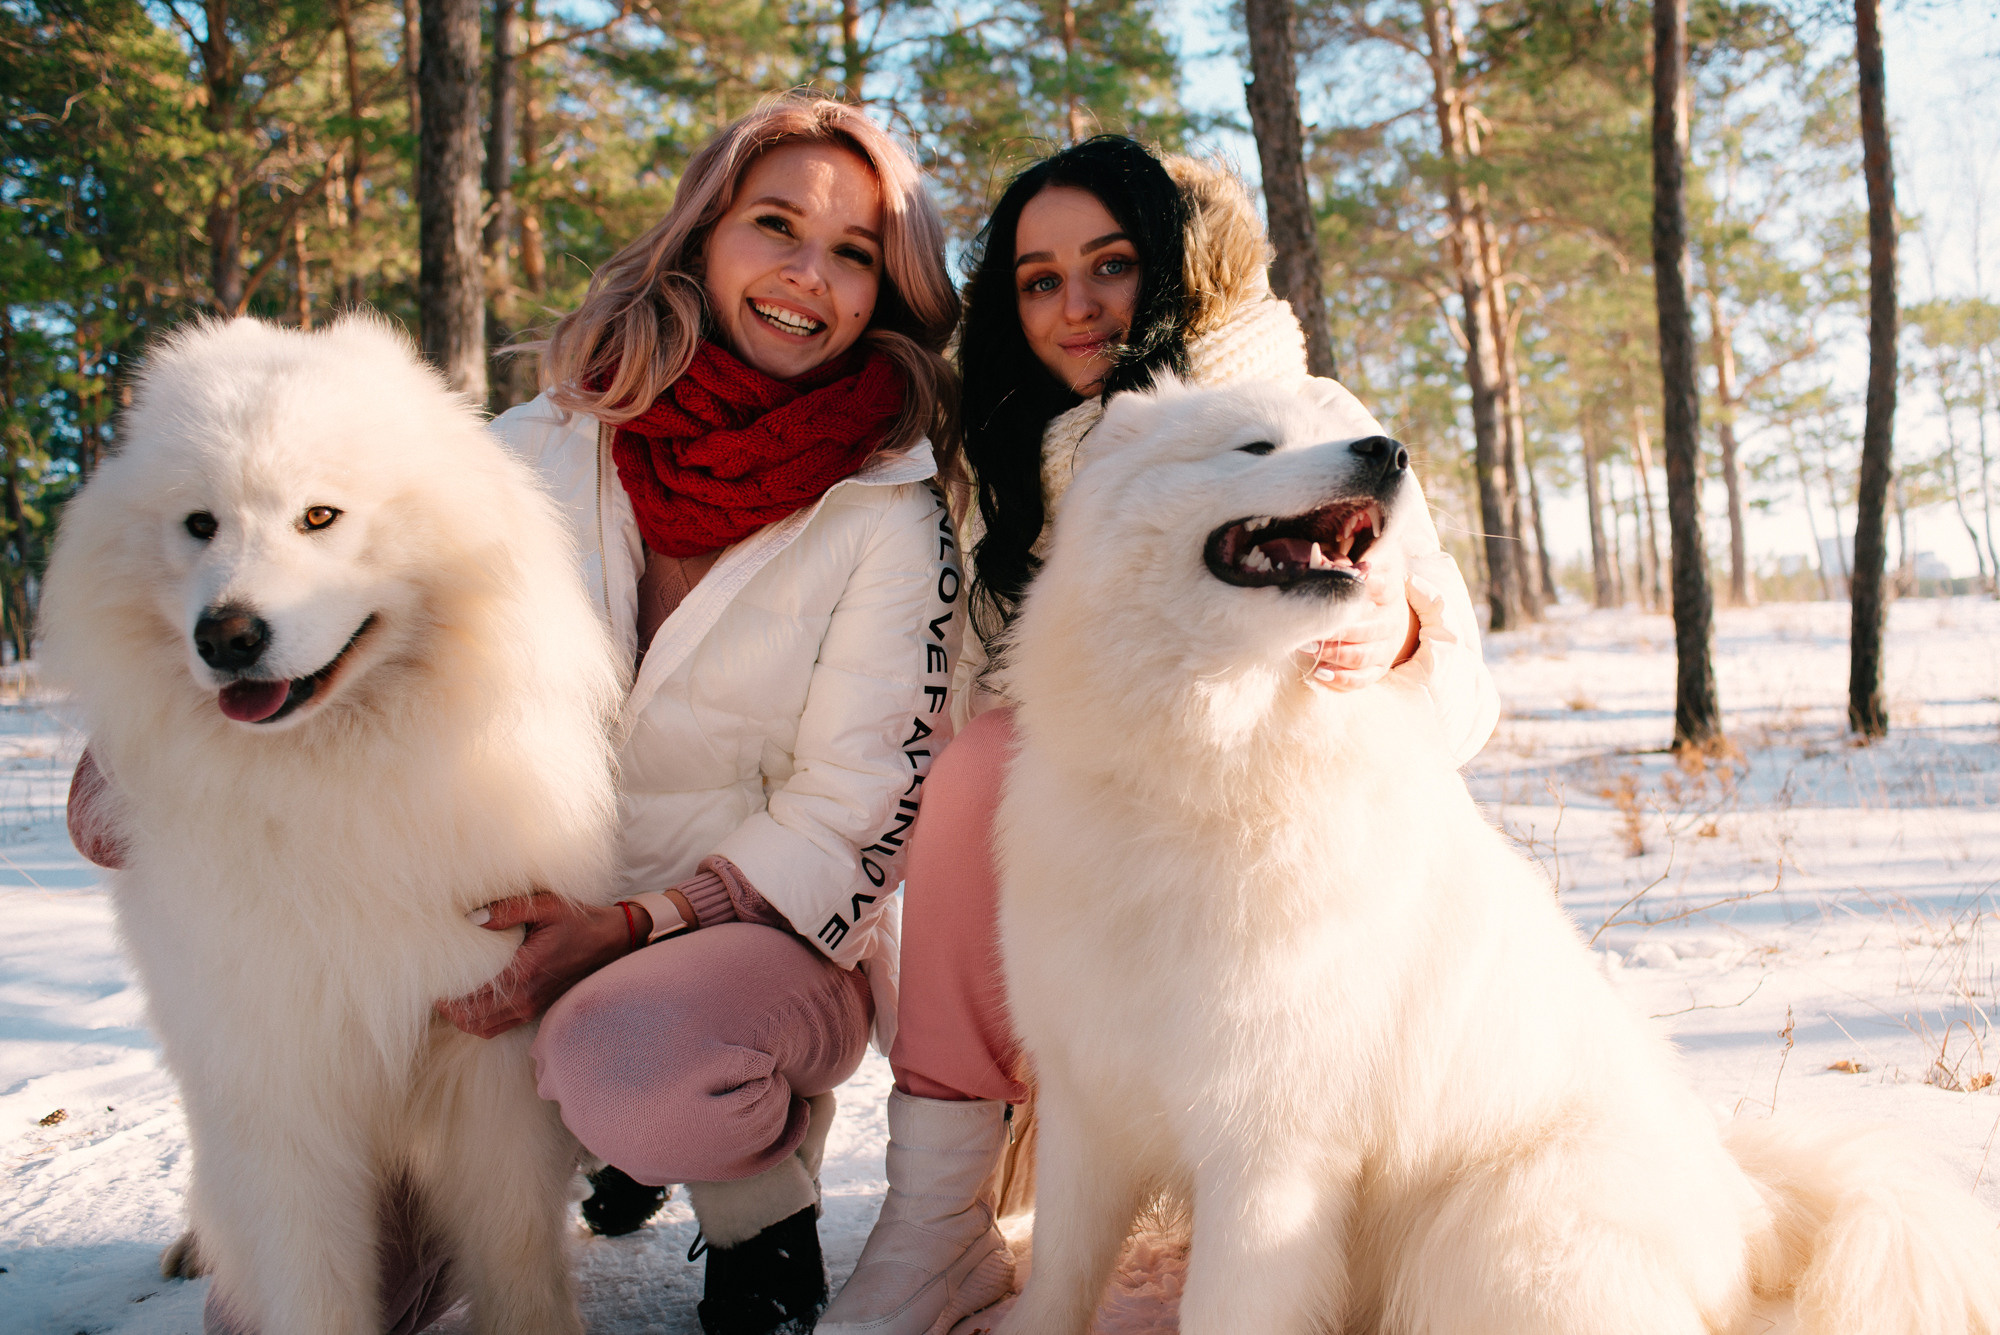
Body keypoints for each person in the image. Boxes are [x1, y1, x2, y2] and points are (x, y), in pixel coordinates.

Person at [814, 137, 1501, 1335]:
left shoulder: (1312, 419)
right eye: (1036, 280)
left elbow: (1458, 698)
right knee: (980, 761)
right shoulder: (1002, 454)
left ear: (1175, 265)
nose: (1074, 305)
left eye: (1110, 264)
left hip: (1298, 869)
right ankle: (939, 1212)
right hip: (1091, 884)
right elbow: (967, 686)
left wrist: (1391, 640)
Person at [448, 94, 963, 1335]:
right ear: (700, 235)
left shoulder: (892, 506)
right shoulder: (536, 447)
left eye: (852, 254)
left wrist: (633, 927)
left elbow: (859, 799)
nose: (807, 274)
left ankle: (756, 1208)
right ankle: (606, 1119)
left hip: (753, 938)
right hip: (510, 923)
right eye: (773, 225)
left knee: (633, 1061)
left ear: (885, 295)